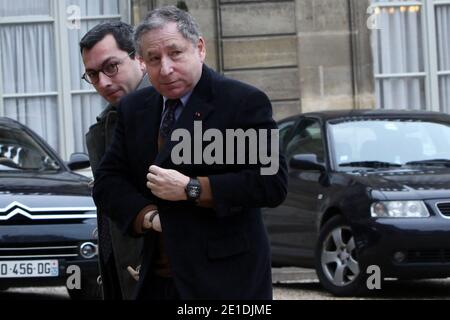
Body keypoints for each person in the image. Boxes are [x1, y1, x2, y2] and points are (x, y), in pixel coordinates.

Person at [93, 6, 287, 300]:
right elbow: (108, 181)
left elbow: (271, 183)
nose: (166, 68)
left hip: (226, 282)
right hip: (156, 280)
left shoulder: (241, 102)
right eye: (154, 59)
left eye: (175, 53)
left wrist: (192, 188)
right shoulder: (135, 108)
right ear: (142, 62)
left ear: (199, 48)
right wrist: (147, 216)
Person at [80, 21, 149, 300]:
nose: (103, 82)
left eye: (111, 67)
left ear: (139, 59)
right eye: (93, 74)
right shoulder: (105, 126)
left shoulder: (173, 112)